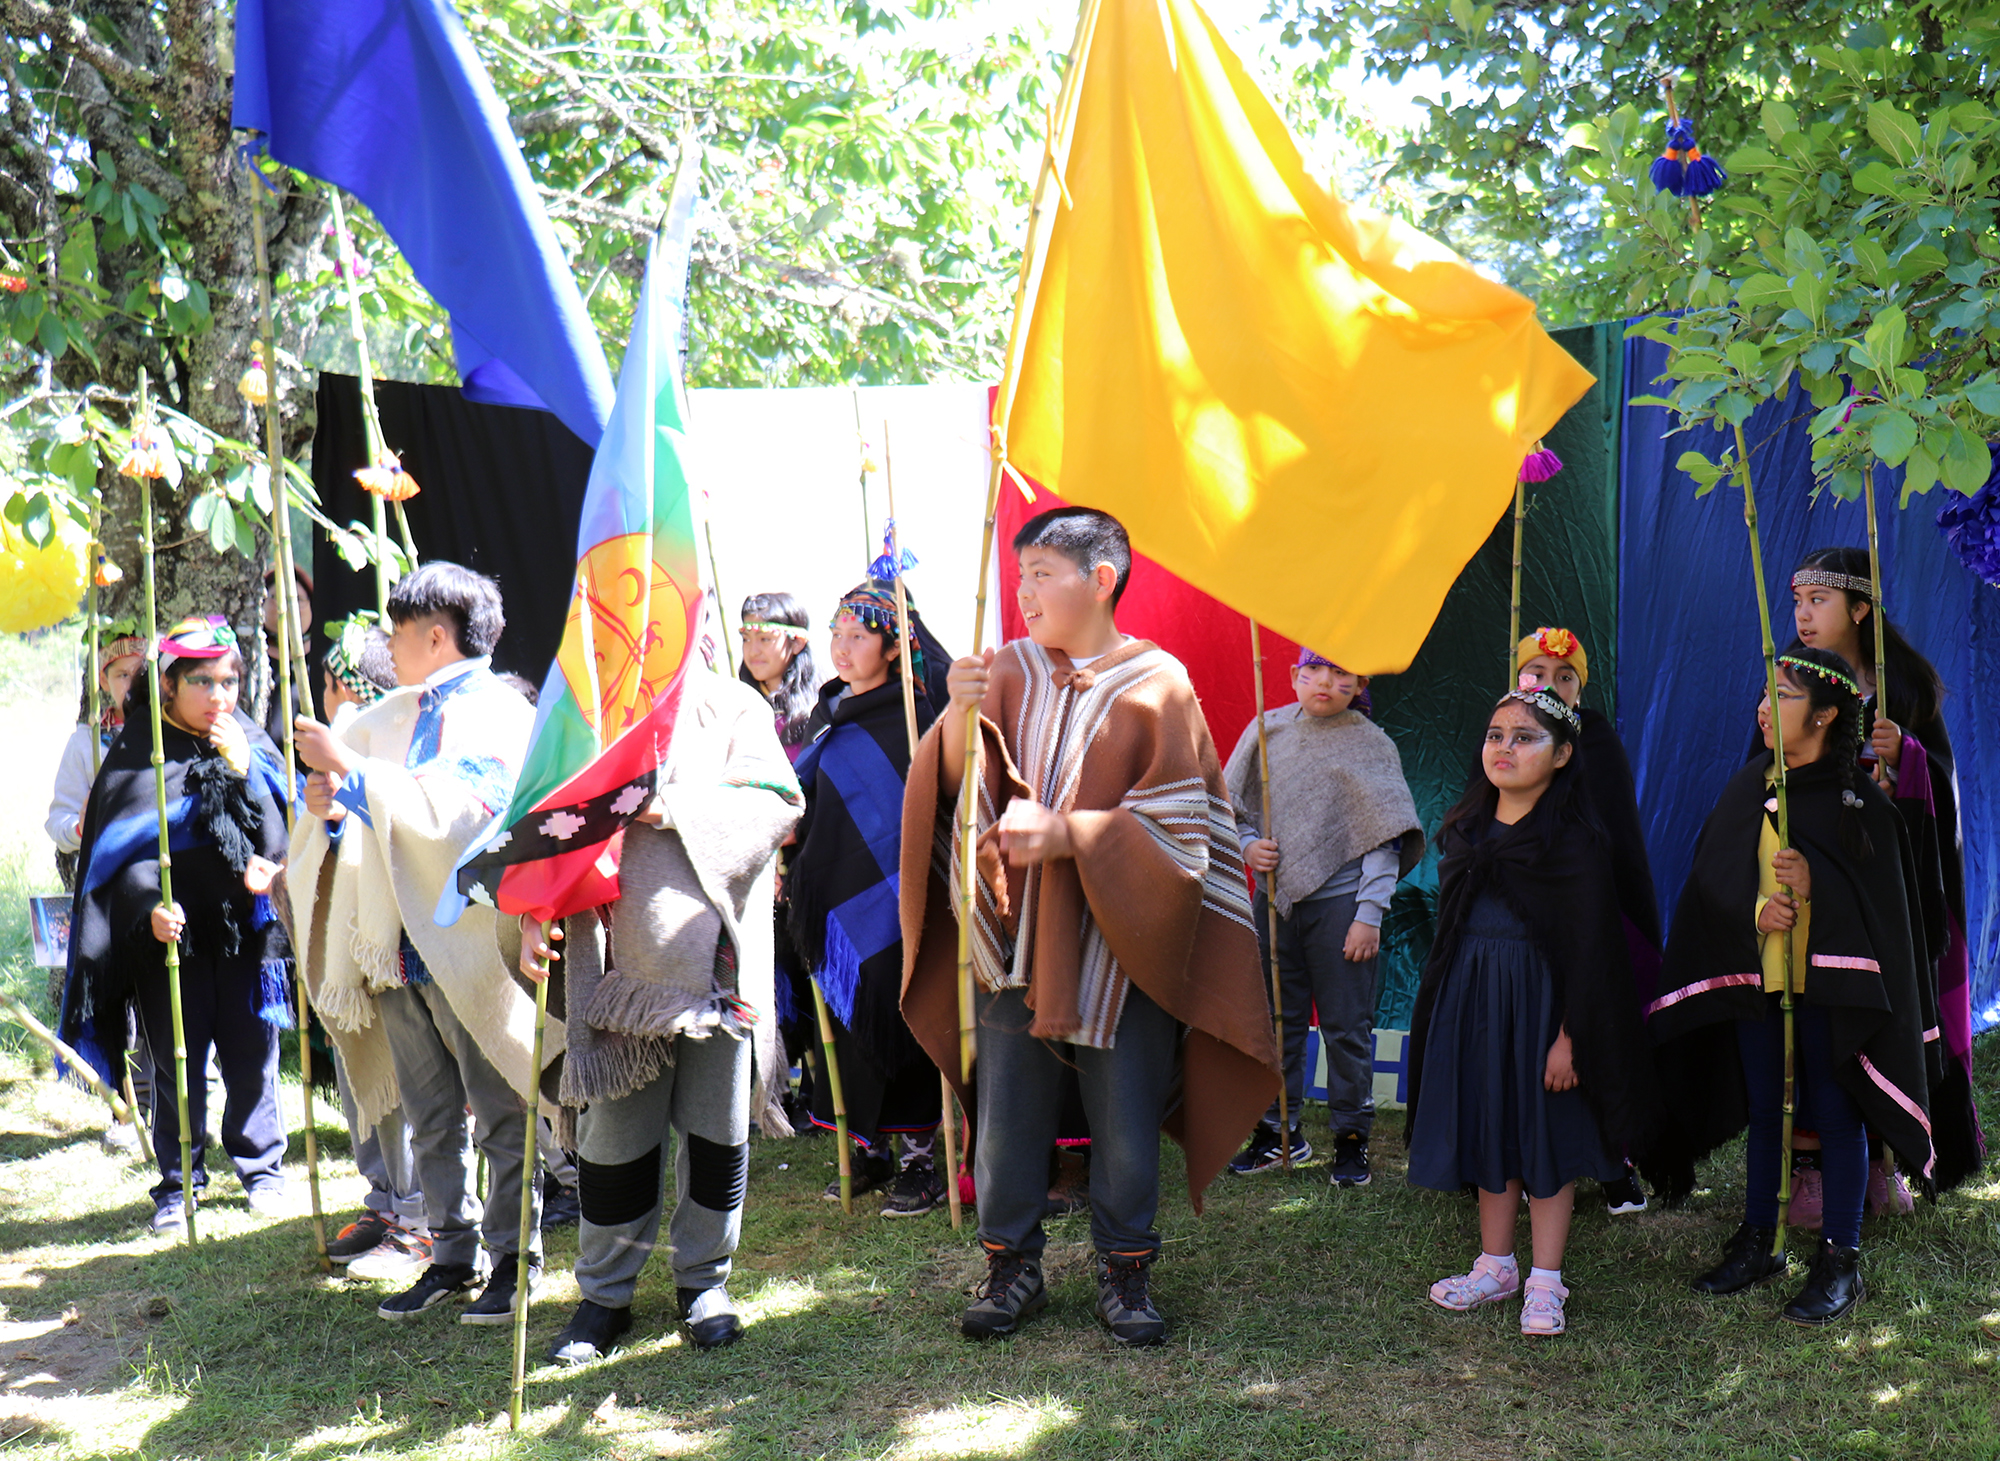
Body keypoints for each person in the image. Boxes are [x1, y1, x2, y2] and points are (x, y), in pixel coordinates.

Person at [899, 506, 1280, 1347]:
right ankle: (1009, 1264)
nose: (1023, 591)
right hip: (1016, 940)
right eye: (1020, 573)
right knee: (1006, 1117)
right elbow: (960, 786)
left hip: (1125, 947)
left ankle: (1126, 1267)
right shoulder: (1007, 669)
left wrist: (1071, 834)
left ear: (1100, 578)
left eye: (1042, 573)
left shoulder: (1159, 683)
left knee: (1126, 1116)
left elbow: (1182, 833)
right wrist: (960, 716)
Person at [288, 562, 561, 1326]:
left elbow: (466, 810)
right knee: (429, 1108)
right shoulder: (395, 713)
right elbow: (369, 803)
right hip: (395, 941)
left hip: (468, 935)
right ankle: (452, 1250)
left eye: (398, 634)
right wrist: (332, 801)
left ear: (435, 636)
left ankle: (515, 1254)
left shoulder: (498, 711)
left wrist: (357, 773)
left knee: (499, 1103)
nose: (388, 648)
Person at [517, 664, 802, 1363]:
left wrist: (669, 804)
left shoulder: (733, 704)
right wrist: (533, 907)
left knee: (716, 1130)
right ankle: (604, 1295)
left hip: (717, 962)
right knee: (616, 1137)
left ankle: (704, 1281)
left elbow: (777, 800)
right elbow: (538, 821)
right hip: (614, 963)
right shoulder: (583, 710)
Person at [1653, 644, 1943, 1326]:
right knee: (1766, 1112)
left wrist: (1818, 891)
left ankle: (1841, 1257)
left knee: (1837, 1118)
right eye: (1762, 693)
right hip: (1764, 982)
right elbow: (1714, 883)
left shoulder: (1861, 806)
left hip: (1833, 993)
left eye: (1781, 696)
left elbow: (1885, 913)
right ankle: (1762, 1238)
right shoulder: (1749, 787)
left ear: (1824, 715)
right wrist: (1761, 911)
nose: (1762, 707)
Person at [1404, 686, 1661, 1339]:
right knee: (1493, 1125)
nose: (1505, 748)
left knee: (1548, 1136)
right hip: (1479, 1001)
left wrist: (1570, 1038)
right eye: (1496, 735)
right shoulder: (1466, 828)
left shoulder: (1574, 844)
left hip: (1548, 1008)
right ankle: (1495, 1265)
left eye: (1525, 737)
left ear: (1564, 753)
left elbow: (1591, 952)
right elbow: (1450, 934)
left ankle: (1546, 1279)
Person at [60, 616, 294, 1233]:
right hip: (171, 939)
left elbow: (279, 843)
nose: (222, 696)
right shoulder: (139, 749)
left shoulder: (246, 739)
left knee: (253, 1052)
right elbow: (115, 861)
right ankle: (179, 1181)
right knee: (175, 1061)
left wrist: (245, 771)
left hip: (245, 928)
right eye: (204, 682)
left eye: (231, 680)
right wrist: (149, 908)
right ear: (167, 685)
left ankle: (262, 1168)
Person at [1791, 548, 1984, 1198]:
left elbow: (1944, 787)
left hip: (1890, 888)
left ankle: (1883, 1156)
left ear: (1860, 608)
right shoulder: (1792, 679)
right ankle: (1811, 1169)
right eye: (1798, 601)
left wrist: (1908, 759)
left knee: (1885, 1009)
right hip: (1822, 880)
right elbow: (1768, 765)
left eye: (1818, 600)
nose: (1803, 614)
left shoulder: (1902, 687)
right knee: (1820, 1016)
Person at [1223, 647, 1422, 1183]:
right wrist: (1247, 846)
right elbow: (1232, 806)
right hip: (1275, 901)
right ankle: (1278, 1132)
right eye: (1313, 669)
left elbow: (1385, 836)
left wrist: (1369, 914)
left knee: (1345, 1026)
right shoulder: (1267, 731)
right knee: (1276, 1020)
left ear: (1358, 683)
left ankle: (1351, 1137)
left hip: (1343, 904)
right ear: (1292, 676)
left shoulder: (1370, 744)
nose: (1324, 682)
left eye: (1340, 672)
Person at [790, 580, 950, 1216]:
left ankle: (920, 1157)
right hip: (835, 896)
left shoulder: (913, 715)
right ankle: (868, 1149)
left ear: (891, 646)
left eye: (857, 636)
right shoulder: (829, 714)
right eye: (836, 634)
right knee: (851, 1019)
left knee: (900, 1008)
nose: (842, 647)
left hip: (901, 891)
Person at [1514, 625, 1672, 1213]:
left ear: (1581, 687)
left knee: (1595, 1032)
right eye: (1537, 674)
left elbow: (1617, 835)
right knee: (1526, 1033)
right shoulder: (1505, 731)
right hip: (1524, 919)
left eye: (1564, 678)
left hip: (1590, 913)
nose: (1550, 685)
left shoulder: (1595, 740)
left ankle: (1613, 1163)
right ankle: (1520, 1158)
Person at [301, 616, 434, 1278]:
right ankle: (386, 1200)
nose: (334, 699)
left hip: (392, 937)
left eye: (335, 684)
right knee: (365, 1080)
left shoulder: (381, 738)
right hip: (348, 942)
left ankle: (418, 1215)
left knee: (404, 1084)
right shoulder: (345, 742)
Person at [737, 592, 818, 762]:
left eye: (765, 639)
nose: (753, 651)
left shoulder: (821, 709)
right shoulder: (737, 706)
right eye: (746, 639)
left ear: (797, 643)